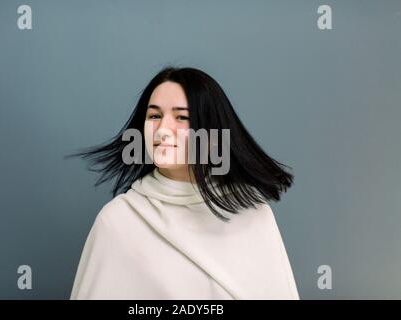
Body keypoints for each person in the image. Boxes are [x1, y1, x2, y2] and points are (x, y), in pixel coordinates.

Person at [66, 66, 300, 299]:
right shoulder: (118, 221)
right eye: (155, 116)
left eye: (182, 117)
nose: (163, 130)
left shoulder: (254, 216)